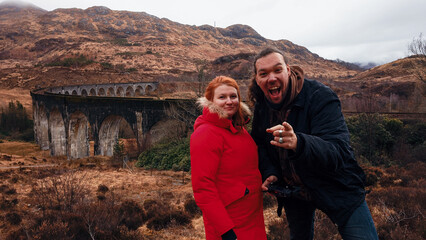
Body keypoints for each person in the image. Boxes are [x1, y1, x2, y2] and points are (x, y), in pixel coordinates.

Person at [249, 47, 379, 240]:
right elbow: (260, 144)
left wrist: (298, 143)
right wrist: (271, 172)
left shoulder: (320, 96)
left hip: (336, 187)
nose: (271, 78)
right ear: (257, 80)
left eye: (277, 70)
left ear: (289, 71)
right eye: (264, 73)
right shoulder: (262, 106)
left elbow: (338, 151)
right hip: (295, 192)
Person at [191, 76, 267, 240]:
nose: (229, 101)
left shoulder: (238, 127)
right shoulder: (206, 134)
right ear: (210, 100)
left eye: (233, 96)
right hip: (230, 223)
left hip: (251, 216)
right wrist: (226, 231)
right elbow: (203, 187)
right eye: (222, 97)